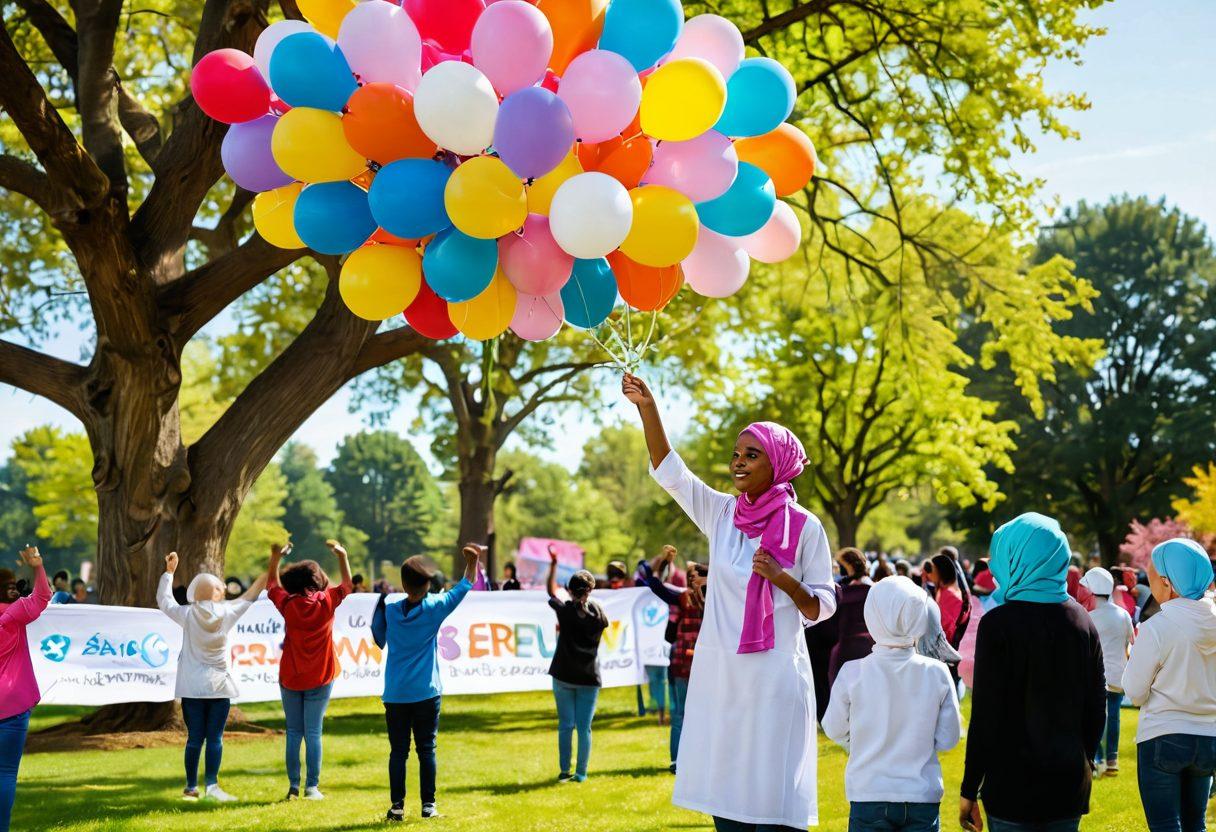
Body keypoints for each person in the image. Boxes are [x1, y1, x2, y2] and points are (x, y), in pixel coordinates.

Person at [624, 373, 837, 831]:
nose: (738, 463)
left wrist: (783, 579)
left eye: (751, 455)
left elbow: (823, 606)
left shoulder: (804, 526)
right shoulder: (723, 514)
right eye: (736, 455)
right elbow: (672, 473)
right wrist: (648, 408)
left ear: (777, 463)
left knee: (773, 802)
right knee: (727, 797)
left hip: (775, 679)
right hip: (722, 679)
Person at [959, 513, 1105, 832]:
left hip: (1010, 784)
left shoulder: (998, 624)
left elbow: (985, 713)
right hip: (1067, 779)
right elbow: (1097, 707)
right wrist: (1084, 759)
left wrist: (969, 789)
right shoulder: (1082, 621)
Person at [823, 576, 961, 832]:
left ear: (871, 614)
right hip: (921, 795)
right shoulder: (937, 672)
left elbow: (833, 729)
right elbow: (948, 739)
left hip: (868, 793)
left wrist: (859, 738)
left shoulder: (853, 672)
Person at [372, 545, 482, 821]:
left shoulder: (391, 610)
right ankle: (428, 806)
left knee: (398, 751)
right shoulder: (435, 607)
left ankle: (397, 807)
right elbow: (465, 586)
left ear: (403, 582)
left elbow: (378, 635)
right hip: (426, 691)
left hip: (396, 692)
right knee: (426, 750)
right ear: (428, 584)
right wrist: (473, 561)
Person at [1122, 538, 1216, 832]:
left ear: (1167, 582)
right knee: (1195, 825)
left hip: (1163, 735)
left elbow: (1135, 693)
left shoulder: (1157, 628)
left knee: (1165, 827)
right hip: (1209, 737)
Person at [157, 551, 267, 801]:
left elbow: (164, 601)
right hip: (218, 687)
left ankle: (190, 788)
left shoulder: (187, 614)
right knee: (215, 738)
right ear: (217, 593)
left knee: (194, 738)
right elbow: (251, 595)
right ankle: (212, 787)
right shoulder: (226, 614)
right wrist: (271, 568)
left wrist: (169, 573)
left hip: (192, 688)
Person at [267, 539, 354, 801]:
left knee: (294, 733)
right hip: (321, 675)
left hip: (291, 676)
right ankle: (311, 788)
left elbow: (272, 586)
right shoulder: (326, 602)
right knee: (313, 732)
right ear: (317, 580)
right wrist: (342, 556)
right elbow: (348, 585)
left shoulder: (288, 604)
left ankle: (293, 788)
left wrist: (275, 558)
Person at [638, 545, 706, 773]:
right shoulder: (705, 599)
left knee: (684, 714)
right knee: (682, 714)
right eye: (690, 578)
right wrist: (664, 561)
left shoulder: (704, 599)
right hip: (689, 664)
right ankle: (680, 761)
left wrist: (663, 563)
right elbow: (653, 582)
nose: (691, 581)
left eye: (694, 577)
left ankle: (687, 760)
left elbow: (653, 581)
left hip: (694, 664)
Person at [545, 546, 608, 783]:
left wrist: (553, 564)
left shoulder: (566, 611)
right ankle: (581, 773)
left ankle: (564, 771)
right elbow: (595, 615)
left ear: (570, 590)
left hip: (563, 674)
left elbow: (550, 590)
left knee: (565, 725)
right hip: (589, 677)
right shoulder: (599, 615)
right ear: (590, 591)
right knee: (584, 728)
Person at [0, 547, 49, 832]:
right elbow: (43, 597)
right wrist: (38, 567)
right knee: (5, 772)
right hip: (13, 705)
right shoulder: (16, 614)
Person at [1079, 566, 1135, 777]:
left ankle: (1097, 760)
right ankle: (1112, 759)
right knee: (1114, 717)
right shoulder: (1122, 614)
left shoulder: (1088, 616)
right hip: (1118, 674)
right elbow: (1131, 642)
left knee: (1095, 717)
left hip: (1095, 676)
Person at [828, 547, 875, 689]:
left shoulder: (843, 593)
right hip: (871, 650)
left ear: (849, 566)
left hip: (845, 650)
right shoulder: (874, 590)